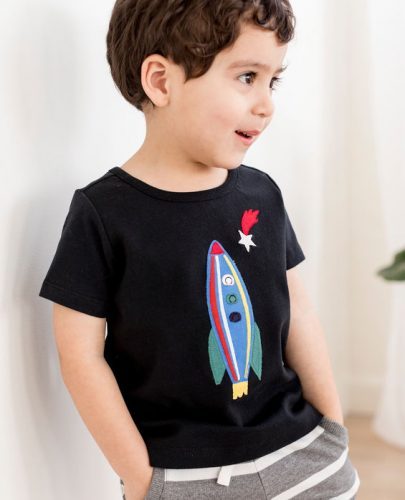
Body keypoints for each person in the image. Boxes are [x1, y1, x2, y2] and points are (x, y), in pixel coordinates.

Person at [38, 1, 361, 499]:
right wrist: (142, 479)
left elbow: (298, 311)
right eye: (247, 77)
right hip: (184, 477)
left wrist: (332, 426)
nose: (266, 105)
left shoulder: (262, 194)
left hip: (302, 450)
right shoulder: (102, 213)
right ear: (161, 81)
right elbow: (79, 355)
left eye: (272, 81)